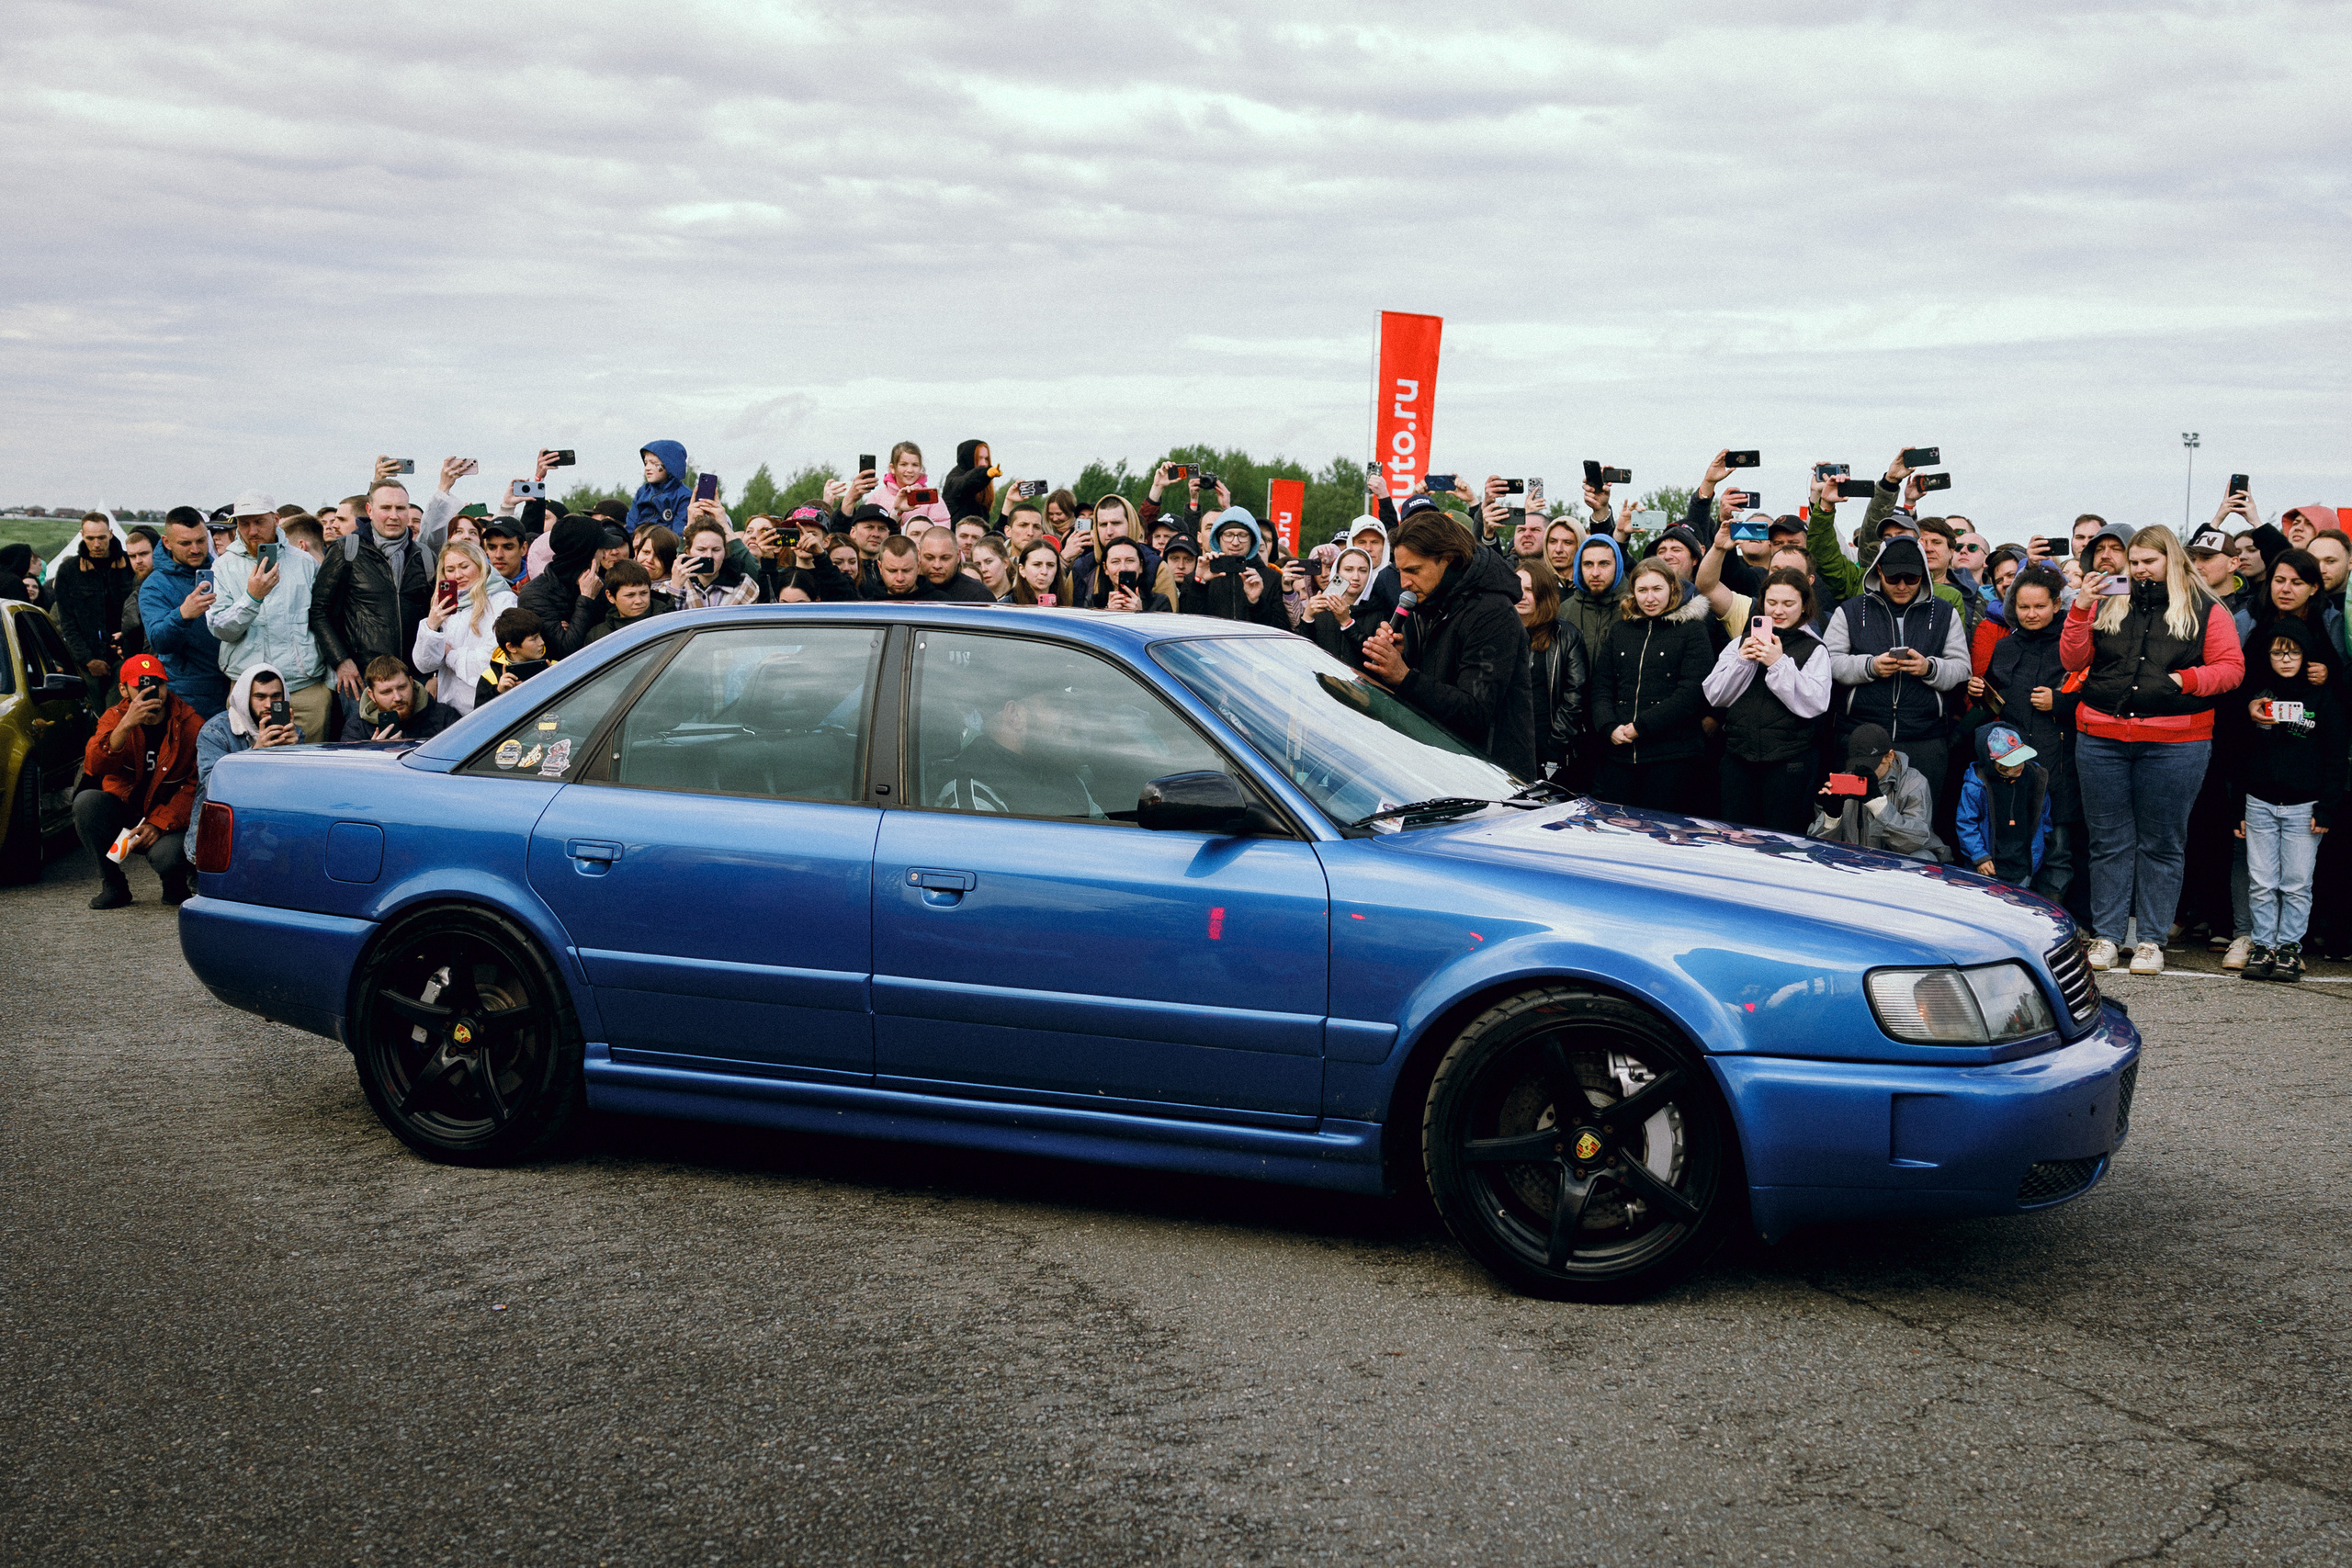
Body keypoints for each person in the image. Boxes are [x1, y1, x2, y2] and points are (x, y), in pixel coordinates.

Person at [2064, 525, 2245, 975]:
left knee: (2162, 842)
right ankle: (2107, 936)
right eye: (2136, 562)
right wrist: (2081, 609)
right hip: (2102, 735)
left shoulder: (2206, 606)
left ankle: (2150, 940)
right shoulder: (2108, 599)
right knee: (2108, 842)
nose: (2141, 569)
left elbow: (2231, 669)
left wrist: (2186, 680)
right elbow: (2071, 661)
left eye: (2150, 561)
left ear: (2172, 560)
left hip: (2176, 741)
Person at [1356, 511, 1536, 777]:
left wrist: (1404, 676)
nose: (1404, 583)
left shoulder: (1492, 612)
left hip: (1490, 779)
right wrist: (1402, 657)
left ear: (1448, 560)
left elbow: (1474, 713)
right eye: (1400, 571)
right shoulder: (1426, 604)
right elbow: (1435, 682)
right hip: (1438, 768)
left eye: (1414, 570)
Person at [2222, 616, 2341, 982]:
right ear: (2268, 656)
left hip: (2305, 806)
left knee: (2296, 881)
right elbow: (2237, 754)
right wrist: (2236, 807)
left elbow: (2336, 756)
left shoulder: (2323, 698)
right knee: (2261, 881)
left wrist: (2326, 806)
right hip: (2258, 802)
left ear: (2307, 656)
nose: (2286, 659)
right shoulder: (2256, 696)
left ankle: (2289, 948)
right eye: (2278, 653)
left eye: (2294, 652)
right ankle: (2262, 945)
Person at [1823, 535, 1968, 811]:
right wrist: (1870, 666)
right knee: (1857, 817)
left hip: (1924, 737)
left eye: (1911, 579)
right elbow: (1828, 663)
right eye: (1893, 578)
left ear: (1923, 575)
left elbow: (1962, 669)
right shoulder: (1851, 610)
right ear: (1879, 571)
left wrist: (1929, 668)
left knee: (1920, 825)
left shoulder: (1945, 612)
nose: (1902, 586)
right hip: (1860, 735)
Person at [1980, 566, 2081, 908]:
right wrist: (1979, 691)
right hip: (2013, 762)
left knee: (2057, 847)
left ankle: (2055, 914)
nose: (2031, 614)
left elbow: (2096, 695)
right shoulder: (2006, 646)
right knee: (2013, 844)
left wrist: (2061, 703)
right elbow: (1994, 699)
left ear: (2056, 604)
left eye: (2039, 606)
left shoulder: (2073, 643)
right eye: (2024, 607)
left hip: (2060, 760)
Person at [1702, 568, 1832, 833]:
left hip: (1789, 763)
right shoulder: (1741, 642)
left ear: (1804, 605)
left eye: (1788, 604)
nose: (1778, 611)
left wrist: (1777, 663)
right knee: (1737, 837)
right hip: (1739, 759)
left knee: (1782, 841)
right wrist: (1742, 662)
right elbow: (1715, 695)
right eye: (1772, 603)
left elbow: (1815, 703)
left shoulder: (1815, 647)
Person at [77, 654, 203, 908]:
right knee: (87, 803)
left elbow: (195, 787)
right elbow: (94, 766)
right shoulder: (114, 717)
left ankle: (174, 884)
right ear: (123, 689)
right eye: (140, 686)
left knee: (166, 856)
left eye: (158, 684)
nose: (151, 692)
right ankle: (114, 885)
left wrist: (158, 824)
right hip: (126, 813)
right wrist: (124, 727)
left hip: (168, 821)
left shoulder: (190, 724)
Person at [205, 491, 332, 740]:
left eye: (259, 521)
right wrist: (252, 598)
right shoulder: (222, 567)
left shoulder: (305, 563)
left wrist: (329, 681)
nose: (252, 530)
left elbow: (326, 620)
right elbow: (220, 629)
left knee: (309, 766)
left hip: (304, 689)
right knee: (256, 767)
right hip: (250, 692)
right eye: (244, 523)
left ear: (276, 519)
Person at [311, 479, 432, 702]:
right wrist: (341, 660)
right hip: (362, 677)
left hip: (413, 677)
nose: (394, 515)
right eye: (386, 508)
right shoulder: (346, 550)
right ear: (370, 510)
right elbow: (320, 611)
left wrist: (433, 672)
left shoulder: (424, 556)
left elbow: (434, 618)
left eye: (400, 508)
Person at [1808, 723, 1947, 861]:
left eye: (1871, 765)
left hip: (1898, 863)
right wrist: (1832, 818)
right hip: (1854, 861)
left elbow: (1914, 841)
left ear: (1889, 757)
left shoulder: (1914, 783)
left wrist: (1878, 805)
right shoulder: (1846, 781)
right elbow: (1819, 848)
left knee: (1922, 857)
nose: (1864, 770)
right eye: (1858, 764)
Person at [411, 539, 518, 716]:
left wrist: (450, 655)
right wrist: (432, 625)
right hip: (449, 711)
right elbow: (424, 665)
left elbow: (491, 661)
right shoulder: (444, 605)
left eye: (464, 566)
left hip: (487, 705)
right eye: (450, 570)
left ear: (480, 565)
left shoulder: (502, 600)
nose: (457, 575)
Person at [138, 509, 228, 719]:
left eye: (200, 541)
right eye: (185, 544)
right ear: (167, 543)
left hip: (232, 686)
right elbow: (159, 641)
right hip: (188, 696)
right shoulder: (155, 585)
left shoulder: (222, 571)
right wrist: (183, 615)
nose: (195, 549)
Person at [1957, 724, 2053, 886]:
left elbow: (2043, 813)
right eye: (2010, 762)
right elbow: (1966, 823)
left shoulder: (2034, 777)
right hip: (1989, 866)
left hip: (2024, 865)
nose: (2018, 766)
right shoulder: (1976, 786)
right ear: (1990, 762)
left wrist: (2043, 843)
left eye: (2020, 759)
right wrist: (1979, 856)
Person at [54, 513, 137, 699]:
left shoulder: (129, 564)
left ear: (111, 533)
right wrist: (88, 660)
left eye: (101, 537)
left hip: (126, 654)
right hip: (88, 660)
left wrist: (130, 641)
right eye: (91, 538)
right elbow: (68, 622)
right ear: (82, 535)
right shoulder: (69, 571)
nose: (96, 544)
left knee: (117, 709)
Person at [1516, 558, 1585, 779]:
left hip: (1549, 743)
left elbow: (1575, 695)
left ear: (1544, 594)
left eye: (1530, 590)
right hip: (1507, 742)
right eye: (1518, 588)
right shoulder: (1499, 632)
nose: (1522, 595)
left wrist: (1556, 743)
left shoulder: (1566, 635)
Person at [341, 656, 461, 742]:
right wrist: (372, 753)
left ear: (411, 682)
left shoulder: (444, 716)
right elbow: (349, 774)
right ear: (371, 695)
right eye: (386, 692)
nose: (397, 698)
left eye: (402, 687)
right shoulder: (357, 728)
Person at [672, 517, 762, 610]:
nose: (709, 556)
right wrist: (675, 589)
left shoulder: (745, 586)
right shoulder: (672, 585)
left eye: (716, 550)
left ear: (725, 553)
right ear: (688, 552)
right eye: (701, 550)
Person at [1305, 546, 1374, 661]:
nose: (1356, 577)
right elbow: (1302, 654)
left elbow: (1374, 659)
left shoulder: (1379, 611)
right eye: (1348, 570)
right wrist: (1307, 618)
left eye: (1362, 571)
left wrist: (1347, 623)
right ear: (1337, 573)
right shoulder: (1321, 609)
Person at [475, 609, 555, 707]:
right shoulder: (491, 678)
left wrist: (556, 679)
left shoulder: (554, 665)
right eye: (534, 639)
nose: (541, 642)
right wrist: (498, 692)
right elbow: (480, 720)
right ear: (511, 647)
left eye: (539, 636)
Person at [628, 441, 694, 538]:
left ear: (671, 465)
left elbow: (678, 533)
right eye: (646, 463)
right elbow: (631, 525)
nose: (647, 468)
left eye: (654, 464)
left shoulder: (684, 496)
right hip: (638, 547)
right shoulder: (643, 492)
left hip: (665, 548)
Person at [916, 525, 996, 603]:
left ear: (958, 556)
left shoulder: (979, 596)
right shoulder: (907, 590)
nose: (937, 565)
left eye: (945, 558)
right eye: (929, 558)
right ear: (919, 555)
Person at [1087, 538, 1168, 613]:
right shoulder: (1092, 602)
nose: (1123, 568)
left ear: (1140, 566)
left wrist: (1141, 613)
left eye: (1130, 561)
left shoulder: (1160, 602)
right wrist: (1108, 612)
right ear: (1105, 568)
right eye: (1115, 562)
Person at [1011, 540, 1070, 606]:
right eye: (1037, 564)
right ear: (1022, 570)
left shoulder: (1065, 603)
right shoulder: (1006, 606)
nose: (1044, 572)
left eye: (1050, 565)